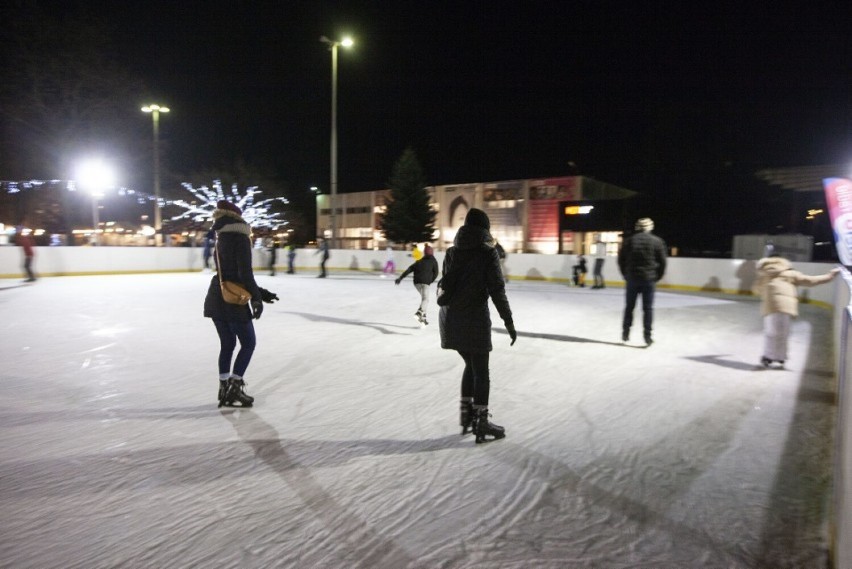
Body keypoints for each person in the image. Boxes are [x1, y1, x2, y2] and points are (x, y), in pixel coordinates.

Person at [439, 208, 516, 444]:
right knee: (481, 370)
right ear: (485, 229)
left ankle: (466, 415)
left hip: (450, 320)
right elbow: (497, 290)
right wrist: (509, 321)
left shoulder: (452, 252)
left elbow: (446, 285)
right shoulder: (488, 253)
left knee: (470, 365)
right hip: (474, 320)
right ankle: (481, 421)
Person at [203, 200, 279, 407]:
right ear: (238, 218)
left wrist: (260, 293)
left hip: (216, 295)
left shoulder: (220, 237)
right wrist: (256, 297)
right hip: (233, 301)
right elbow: (244, 273)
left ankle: (224, 388)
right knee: (248, 343)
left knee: (227, 344)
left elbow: (228, 273)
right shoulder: (240, 237)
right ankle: (235, 389)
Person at [753, 256, 839, 368]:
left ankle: (769, 356)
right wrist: (830, 276)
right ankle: (780, 357)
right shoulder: (790, 274)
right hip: (786, 306)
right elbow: (811, 281)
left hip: (770, 306)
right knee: (783, 332)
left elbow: (756, 290)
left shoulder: (764, 275)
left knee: (771, 333)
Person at [618, 217, 667, 346]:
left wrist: (626, 275)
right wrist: (657, 277)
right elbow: (663, 262)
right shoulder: (657, 242)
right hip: (649, 279)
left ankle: (625, 332)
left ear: (637, 227)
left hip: (632, 279)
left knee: (629, 307)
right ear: (650, 227)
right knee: (648, 309)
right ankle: (647, 336)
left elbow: (621, 260)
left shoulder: (628, 241)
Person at [395, 244, 439, 325]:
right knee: (425, 299)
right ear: (432, 253)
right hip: (425, 283)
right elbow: (436, 273)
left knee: (424, 300)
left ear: (424, 253)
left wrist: (400, 278)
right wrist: (430, 281)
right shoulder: (433, 261)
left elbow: (409, 269)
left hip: (416, 283)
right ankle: (419, 313)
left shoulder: (419, 261)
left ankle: (423, 318)